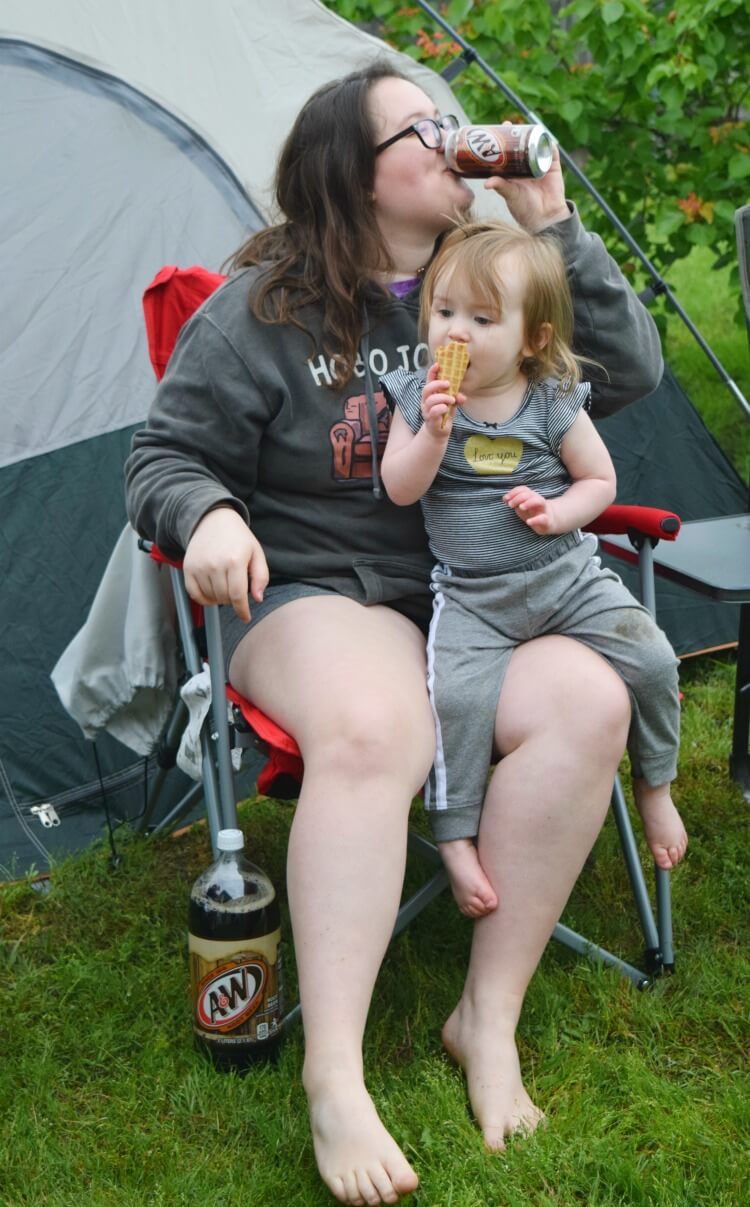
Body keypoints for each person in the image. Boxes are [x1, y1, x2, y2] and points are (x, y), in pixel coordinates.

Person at [126, 61, 664, 1207]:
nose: (455, 139)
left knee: (590, 701)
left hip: (475, 596)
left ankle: (488, 1014)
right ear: (352, 174)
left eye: (453, 121)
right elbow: (162, 457)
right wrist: (209, 512)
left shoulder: (490, 281)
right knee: (377, 725)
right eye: (426, 128)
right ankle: (334, 1076)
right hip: (317, 592)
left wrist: (551, 222)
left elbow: (624, 373)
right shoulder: (263, 307)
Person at [380, 219, 688, 918]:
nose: (455, 332)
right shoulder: (417, 396)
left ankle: (655, 785)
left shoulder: (550, 399)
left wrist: (560, 512)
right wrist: (432, 433)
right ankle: (455, 834)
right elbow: (401, 487)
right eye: (445, 310)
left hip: (566, 578)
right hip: (475, 598)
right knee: (455, 704)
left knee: (654, 659)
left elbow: (600, 481)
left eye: (482, 319)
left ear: (533, 339)